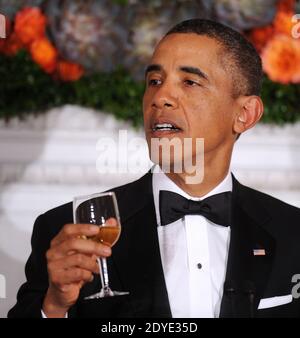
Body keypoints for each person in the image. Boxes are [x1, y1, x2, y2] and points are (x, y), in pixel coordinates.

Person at [8, 18, 300, 318]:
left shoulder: (294, 233)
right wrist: (54, 306)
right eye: (154, 81)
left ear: (244, 114)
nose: (160, 98)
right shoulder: (66, 230)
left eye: (190, 82)